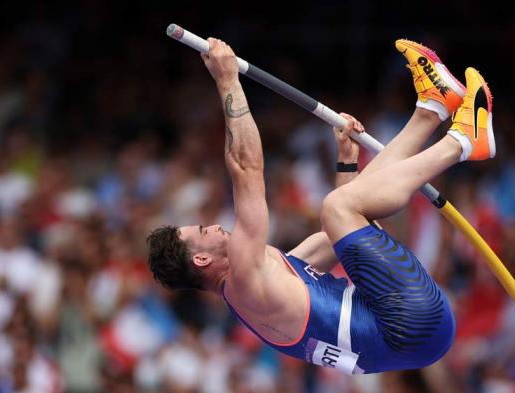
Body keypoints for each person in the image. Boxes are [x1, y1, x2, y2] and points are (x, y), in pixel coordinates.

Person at [146, 38, 495, 374]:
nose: (215, 225)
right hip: (409, 324)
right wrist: (227, 81)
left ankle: (432, 109)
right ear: (201, 259)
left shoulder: (262, 288)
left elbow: (341, 239)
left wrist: (346, 164)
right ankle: (463, 141)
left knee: (342, 208)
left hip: (415, 335)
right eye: (204, 231)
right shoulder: (244, 278)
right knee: (337, 207)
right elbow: (245, 168)